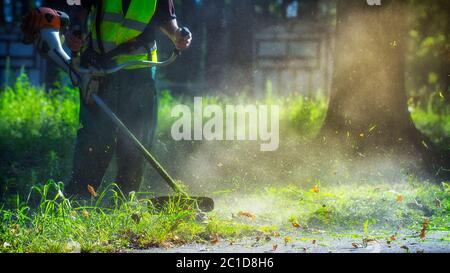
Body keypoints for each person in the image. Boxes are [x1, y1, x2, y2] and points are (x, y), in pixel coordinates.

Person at [65, 0, 192, 198]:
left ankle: (124, 200)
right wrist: (75, 30)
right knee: (95, 137)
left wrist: (177, 35)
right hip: (100, 68)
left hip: (139, 70)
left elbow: (166, 19)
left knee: (137, 138)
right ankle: (78, 199)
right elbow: (80, 7)